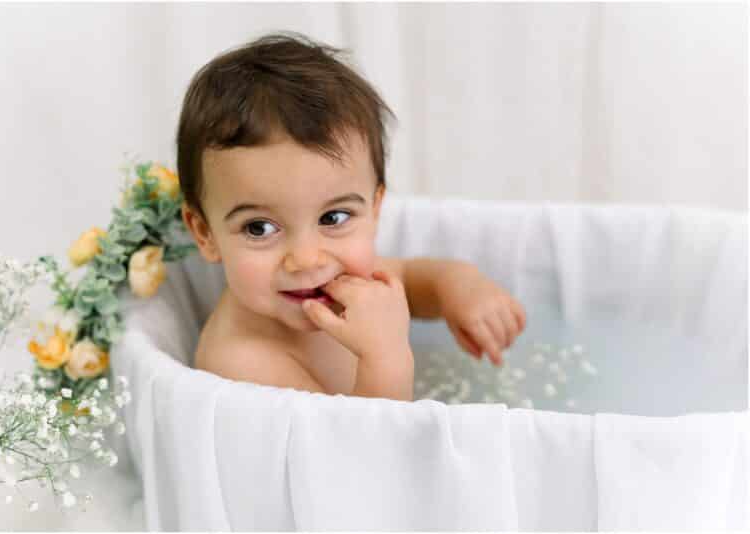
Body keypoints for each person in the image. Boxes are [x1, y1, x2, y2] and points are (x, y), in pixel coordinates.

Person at [178, 32, 526, 401]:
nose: (306, 259)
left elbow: (409, 279)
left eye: (333, 218)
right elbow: (364, 453)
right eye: (259, 227)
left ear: (375, 209)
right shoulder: (243, 364)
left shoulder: (344, 281)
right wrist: (386, 358)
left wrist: (457, 286)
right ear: (205, 234)